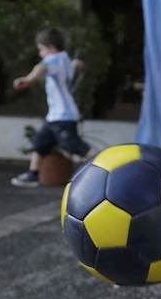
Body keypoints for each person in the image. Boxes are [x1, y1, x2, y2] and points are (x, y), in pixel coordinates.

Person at [10, 27, 96, 187]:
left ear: (50, 47)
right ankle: (33, 174)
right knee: (39, 142)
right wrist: (77, 65)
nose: (41, 53)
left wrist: (28, 79)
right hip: (55, 116)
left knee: (73, 145)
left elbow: (41, 67)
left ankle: (104, 165)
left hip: (63, 115)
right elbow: (73, 65)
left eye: (41, 49)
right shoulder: (64, 60)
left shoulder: (54, 59)